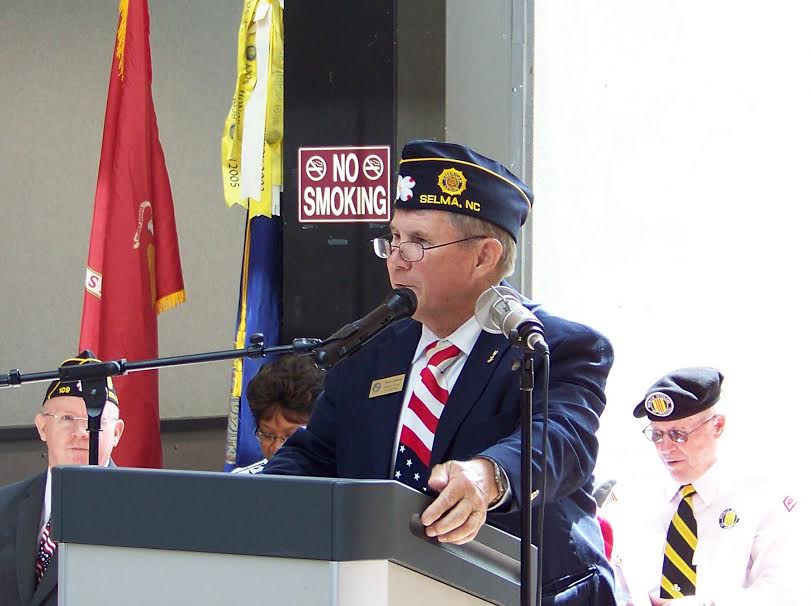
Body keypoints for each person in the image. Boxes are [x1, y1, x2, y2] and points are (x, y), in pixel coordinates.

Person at [263, 140, 617, 605]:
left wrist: (488, 476)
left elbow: (560, 441)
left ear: (484, 257)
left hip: (523, 591)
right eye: (393, 238)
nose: (397, 257)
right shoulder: (370, 350)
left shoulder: (551, 346)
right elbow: (315, 457)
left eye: (420, 242)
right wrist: (252, 504)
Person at [608, 367, 803, 606]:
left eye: (679, 434)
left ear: (717, 425)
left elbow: (785, 593)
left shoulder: (764, 495)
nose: (665, 448)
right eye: (657, 434)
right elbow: (616, 585)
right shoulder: (630, 498)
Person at [0, 351, 124, 606]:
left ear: (116, 433)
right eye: (67, 419)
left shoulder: (138, 507)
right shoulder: (0, 507)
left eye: (96, 421)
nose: (82, 432)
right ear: (42, 427)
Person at [232, 354, 324, 474]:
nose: (276, 448)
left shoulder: (345, 480)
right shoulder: (241, 481)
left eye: (290, 437)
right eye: (267, 435)